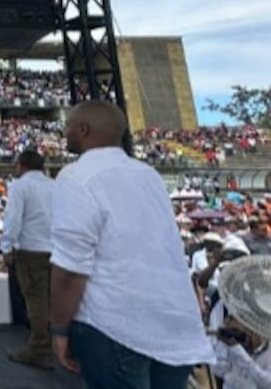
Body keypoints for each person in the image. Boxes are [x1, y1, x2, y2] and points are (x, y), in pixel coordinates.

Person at [49, 100, 214, 387]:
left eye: (68, 127)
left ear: (83, 129)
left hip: (115, 325)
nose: (65, 134)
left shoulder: (76, 177)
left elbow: (69, 271)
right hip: (172, 322)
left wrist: (60, 329)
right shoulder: (148, 175)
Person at [0, 149, 55, 369]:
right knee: (53, 299)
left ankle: (40, 347)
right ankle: (60, 342)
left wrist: (7, 246)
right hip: (57, 250)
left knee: (36, 300)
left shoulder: (20, 186)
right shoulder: (55, 186)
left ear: (21, 166)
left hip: (31, 250)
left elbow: (13, 218)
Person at [210, 255, 271, 389]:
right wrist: (224, 345)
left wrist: (239, 353)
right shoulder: (238, 340)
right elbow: (218, 370)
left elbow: (267, 383)